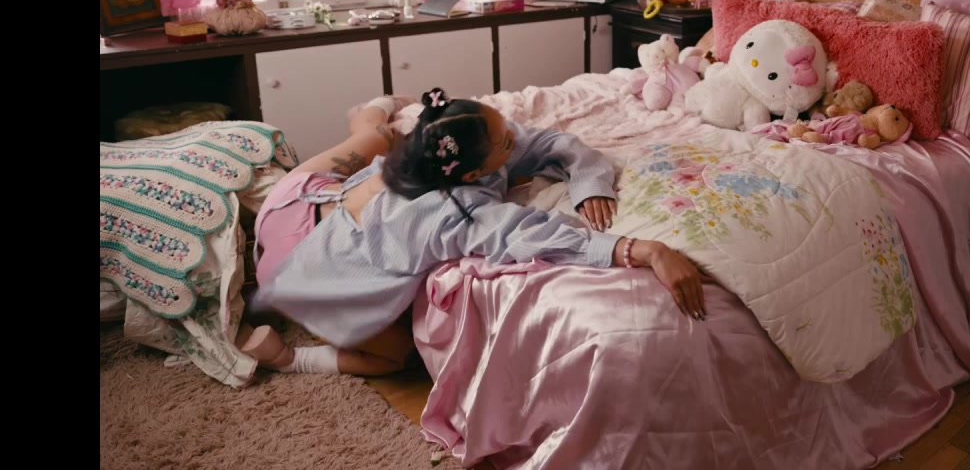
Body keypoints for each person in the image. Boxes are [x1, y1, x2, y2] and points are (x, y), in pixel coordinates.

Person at [239, 88, 707, 377]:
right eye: (504, 141)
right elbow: (530, 233)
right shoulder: (452, 212)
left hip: (293, 200)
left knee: (376, 135)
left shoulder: (439, 144)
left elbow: (550, 141)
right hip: (299, 271)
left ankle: (378, 108)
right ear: (469, 176)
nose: (515, 137)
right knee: (397, 360)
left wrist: (588, 181)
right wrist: (643, 249)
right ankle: (291, 360)